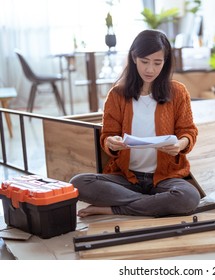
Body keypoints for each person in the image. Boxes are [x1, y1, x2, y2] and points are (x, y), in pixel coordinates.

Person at [70, 29, 200, 218]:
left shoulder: (178, 92)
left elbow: (188, 131)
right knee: (78, 183)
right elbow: (107, 136)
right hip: (127, 178)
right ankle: (150, 204)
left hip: (164, 178)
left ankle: (115, 208)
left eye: (157, 63)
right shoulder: (117, 95)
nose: (150, 69)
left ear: (166, 61)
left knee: (188, 197)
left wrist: (180, 145)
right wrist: (111, 143)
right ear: (134, 58)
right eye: (144, 62)